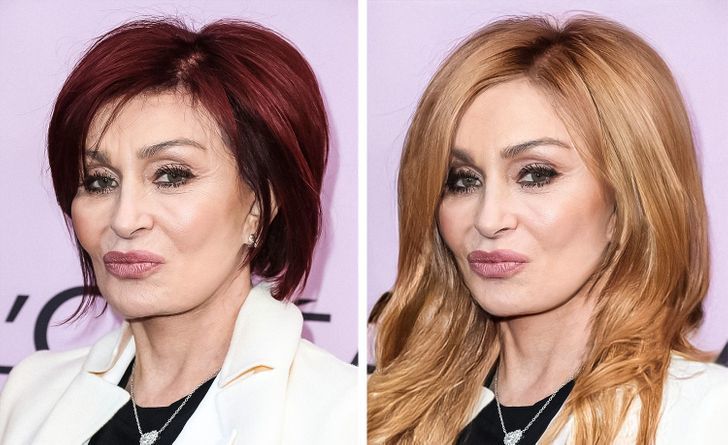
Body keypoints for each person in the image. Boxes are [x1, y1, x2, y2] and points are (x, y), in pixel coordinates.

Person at [367, 15, 728, 445]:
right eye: (462, 180)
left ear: (626, 201)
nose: (488, 219)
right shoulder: (378, 411)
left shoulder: (705, 419)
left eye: (536, 175)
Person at [0, 18, 355, 445]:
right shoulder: (32, 396)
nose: (124, 219)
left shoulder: (344, 415)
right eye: (99, 181)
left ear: (259, 208)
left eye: (170, 176)